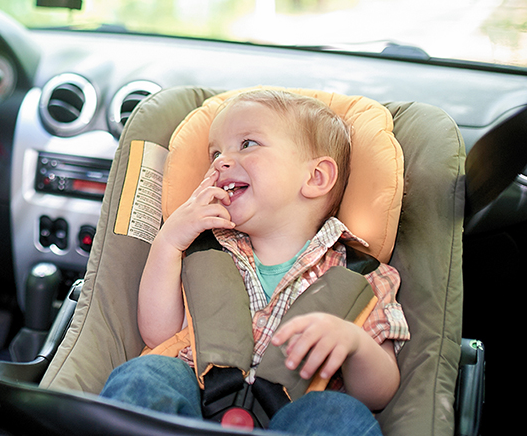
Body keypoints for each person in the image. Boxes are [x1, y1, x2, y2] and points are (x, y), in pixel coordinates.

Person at [100, 89, 410, 434]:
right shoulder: (205, 250)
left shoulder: (363, 276)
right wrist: (169, 239)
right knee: (144, 376)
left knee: (341, 414)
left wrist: (354, 343)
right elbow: (158, 333)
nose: (221, 161)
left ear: (315, 178)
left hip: (295, 415)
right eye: (215, 152)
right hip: (195, 400)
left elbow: (379, 394)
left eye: (247, 144)